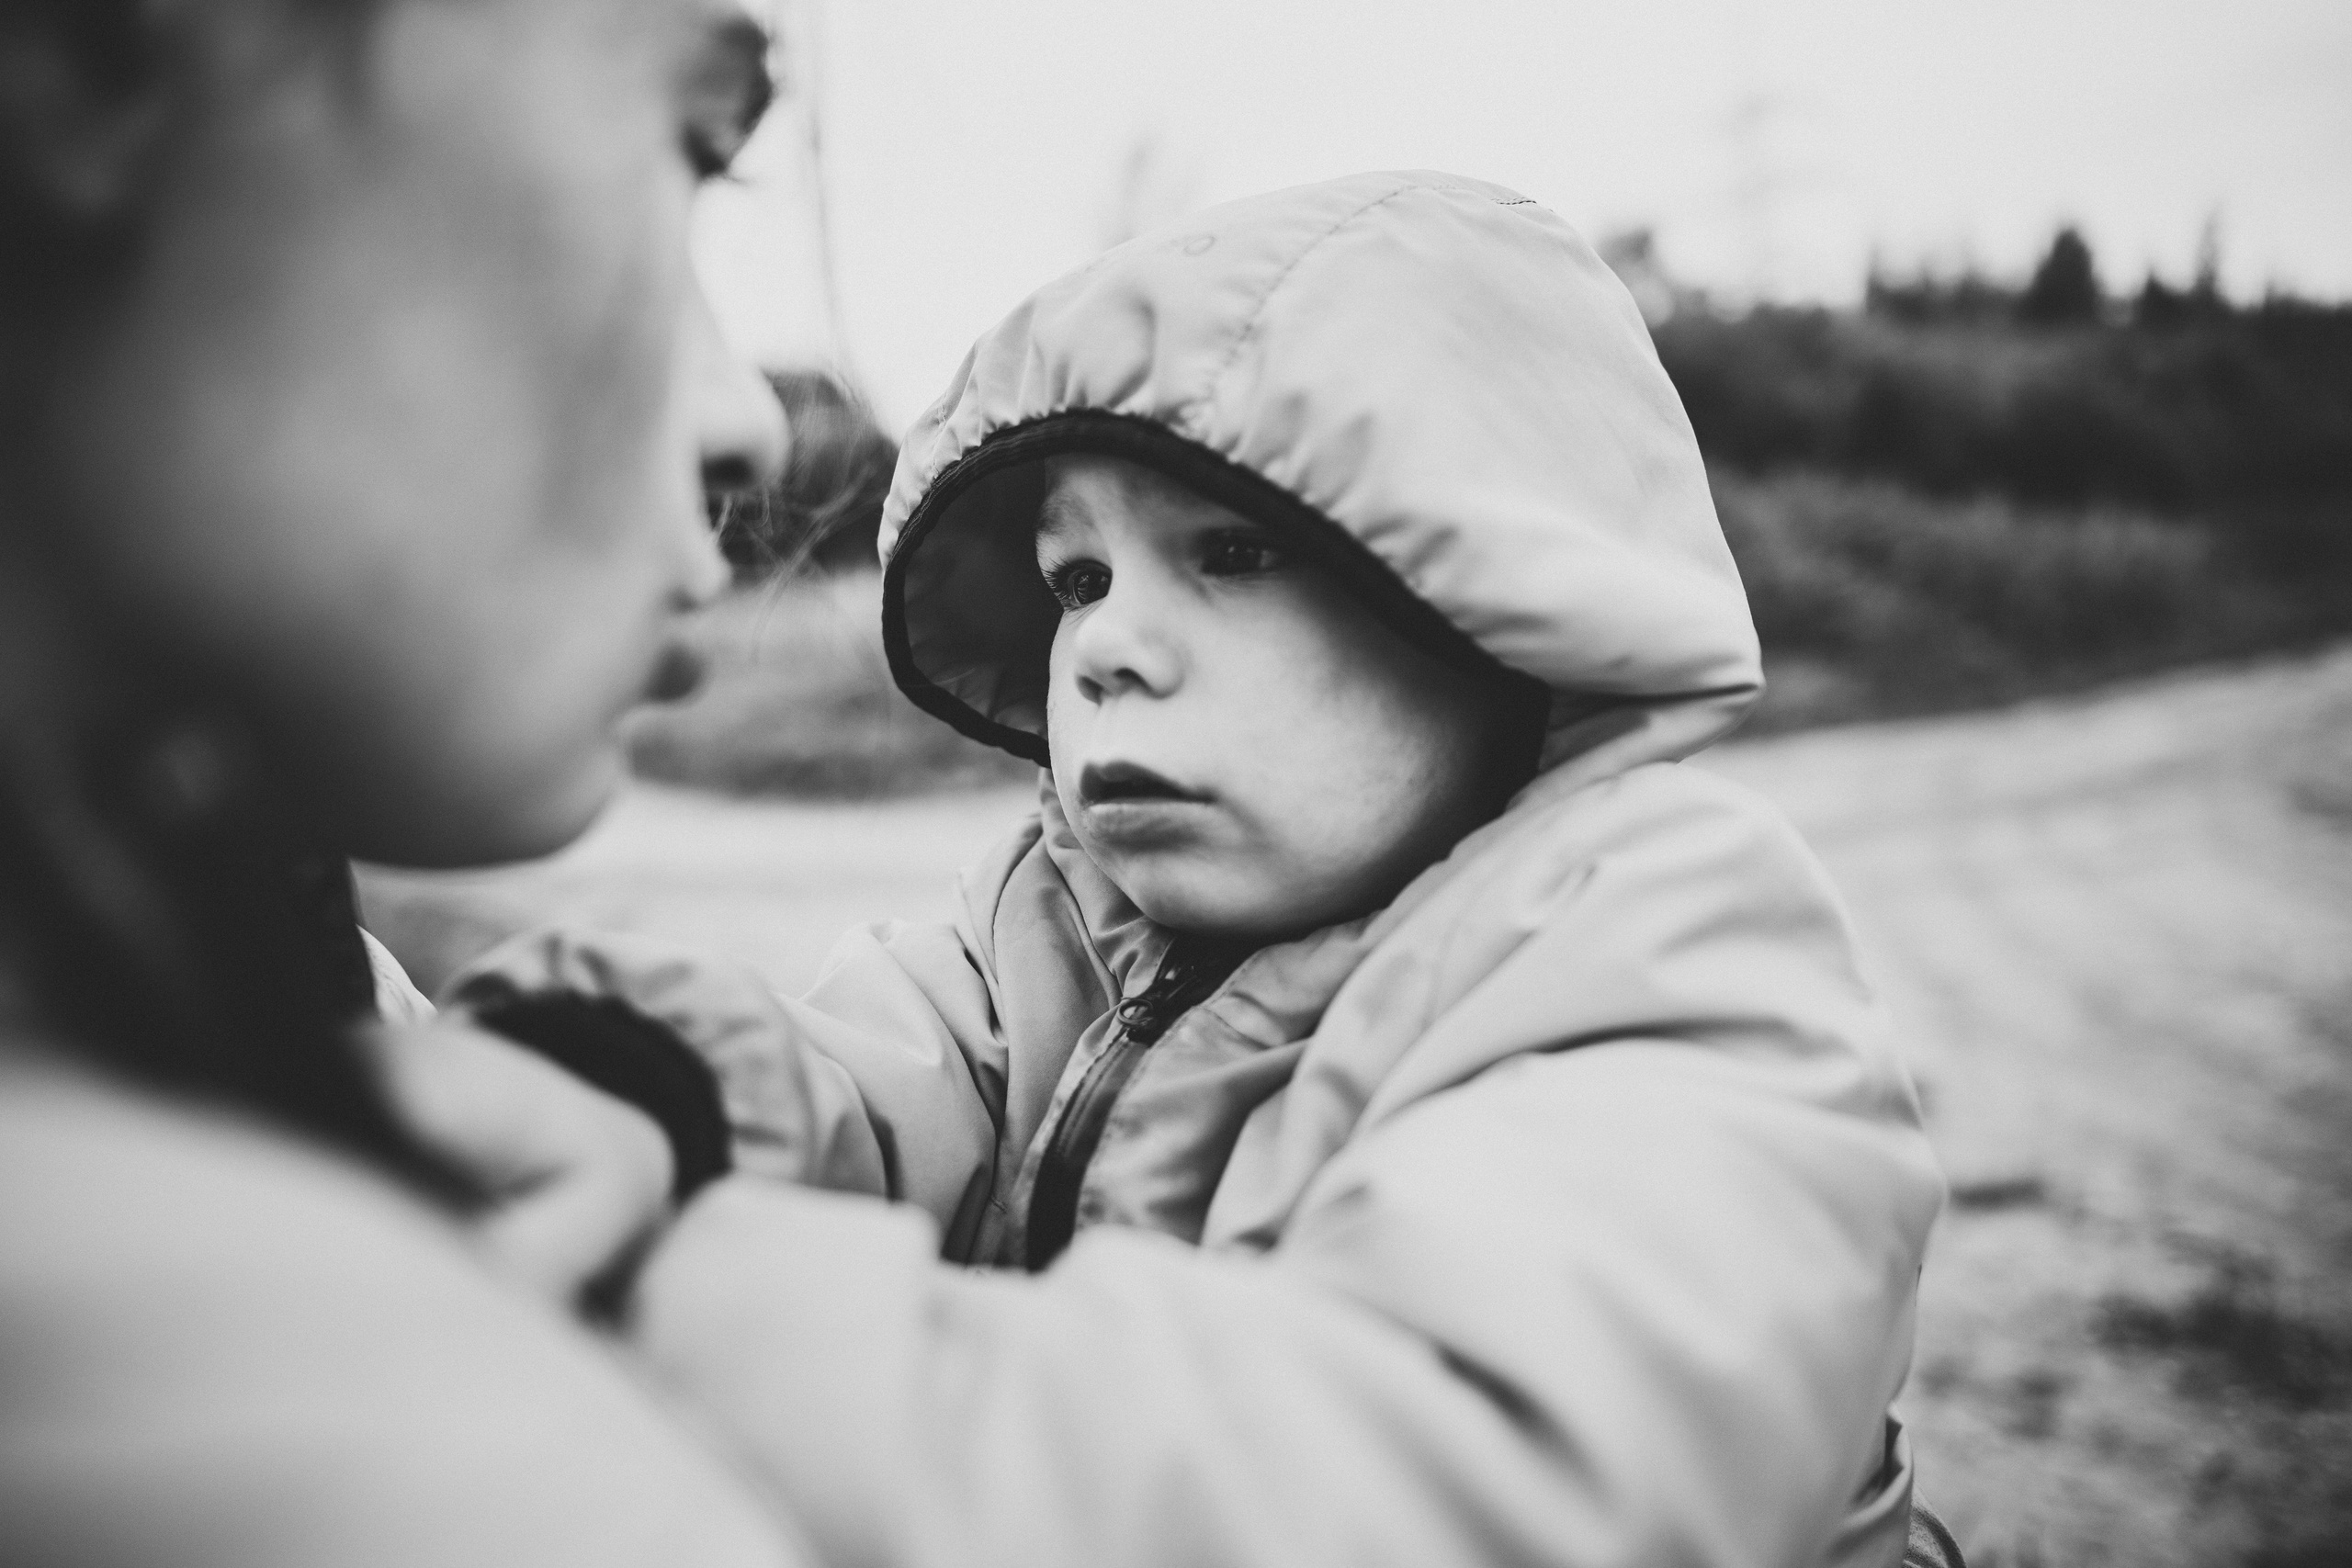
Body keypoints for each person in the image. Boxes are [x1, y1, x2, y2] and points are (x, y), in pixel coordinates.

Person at [448, 172, 1953, 1567]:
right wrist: (626, 1096)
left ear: (1502, 605)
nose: (1100, 645)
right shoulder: (1048, 928)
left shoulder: (1663, 954)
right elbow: (858, 1089)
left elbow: (1440, 1480)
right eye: (1077, 579)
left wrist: (682, 1303)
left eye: (1233, 555)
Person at [0, 1, 823, 1562]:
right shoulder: (366, 1460)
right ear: (95, 57)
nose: (753, 424)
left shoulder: (254, 975)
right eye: (694, 140)